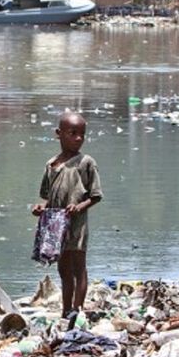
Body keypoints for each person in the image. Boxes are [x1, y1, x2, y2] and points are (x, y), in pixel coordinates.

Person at [32, 112, 102, 325]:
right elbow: (48, 197)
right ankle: (66, 310)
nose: (78, 138)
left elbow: (96, 196)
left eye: (82, 134)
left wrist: (79, 207)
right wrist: (40, 209)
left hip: (77, 223)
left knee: (79, 266)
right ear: (59, 134)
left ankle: (78, 310)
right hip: (56, 226)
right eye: (73, 133)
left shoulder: (86, 163)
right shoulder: (52, 164)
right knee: (64, 269)